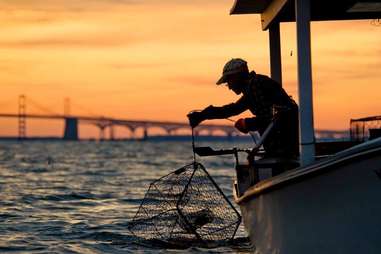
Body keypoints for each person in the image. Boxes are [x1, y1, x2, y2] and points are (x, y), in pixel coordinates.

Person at [187, 58, 299, 161]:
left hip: (284, 151)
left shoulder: (257, 86)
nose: (229, 87)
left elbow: (273, 118)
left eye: (228, 82)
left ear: (237, 76)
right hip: (282, 150)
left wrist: (247, 123)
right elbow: (232, 109)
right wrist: (203, 115)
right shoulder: (254, 86)